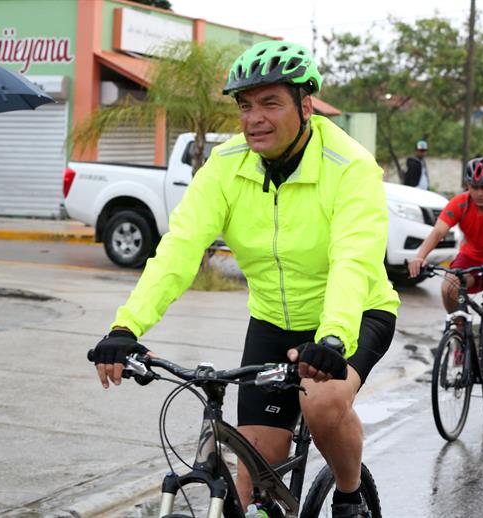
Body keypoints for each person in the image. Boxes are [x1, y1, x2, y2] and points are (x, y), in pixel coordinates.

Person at [91, 40, 399, 517]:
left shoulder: (350, 166)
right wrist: (126, 327)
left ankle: (349, 492)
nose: (254, 117)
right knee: (255, 471)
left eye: (270, 102)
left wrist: (334, 337)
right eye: (245, 105)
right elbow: (180, 247)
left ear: (305, 104)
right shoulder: (227, 165)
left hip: (354, 314)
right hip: (274, 320)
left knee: (321, 404)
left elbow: (352, 259)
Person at [407, 156, 483, 406]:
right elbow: (438, 231)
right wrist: (419, 256)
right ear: (467, 186)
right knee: (449, 287)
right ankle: (460, 331)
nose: (479, 193)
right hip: (470, 259)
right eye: (474, 187)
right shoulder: (460, 203)